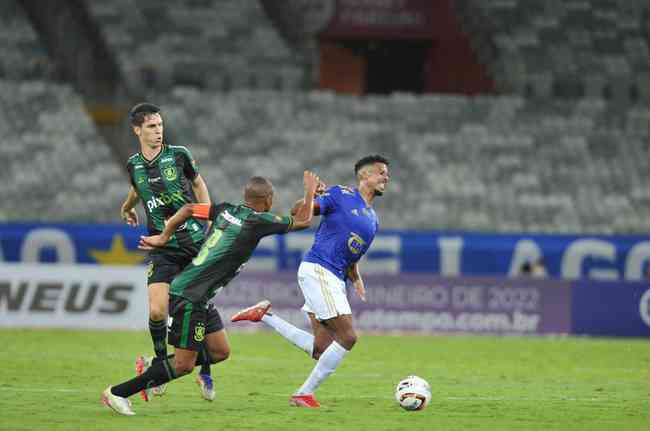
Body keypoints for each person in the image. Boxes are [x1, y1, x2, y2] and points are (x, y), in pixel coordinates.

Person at [102, 171, 321, 416]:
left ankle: (154, 366)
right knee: (183, 365)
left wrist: (164, 236)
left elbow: (186, 209)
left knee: (219, 351)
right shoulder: (258, 221)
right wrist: (310, 190)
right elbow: (303, 222)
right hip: (189, 297)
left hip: (199, 296)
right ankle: (118, 393)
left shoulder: (225, 210)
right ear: (268, 199)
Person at [231, 154, 390, 408]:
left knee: (321, 349)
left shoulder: (373, 219)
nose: (386, 176)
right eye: (381, 172)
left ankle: (264, 316)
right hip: (319, 270)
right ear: (364, 176)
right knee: (348, 337)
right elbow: (298, 212)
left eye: (387, 173)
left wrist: (356, 278)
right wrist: (310, 194)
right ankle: (303, 393)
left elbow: (350, 254)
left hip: (335, 278)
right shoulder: (341, 195)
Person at [119, 102, 216, 401]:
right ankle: (159, 366)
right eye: (151, 126)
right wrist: (126, 207)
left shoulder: (179, 155)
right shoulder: (133, 164)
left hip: (192, 242)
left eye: (160, 125)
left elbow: (199, 184)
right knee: (158, 310)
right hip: (161, 245)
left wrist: (207, 216)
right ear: (137, 130)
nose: (158, 130)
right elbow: (138, 188)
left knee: (198, 306)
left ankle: (205, 371)